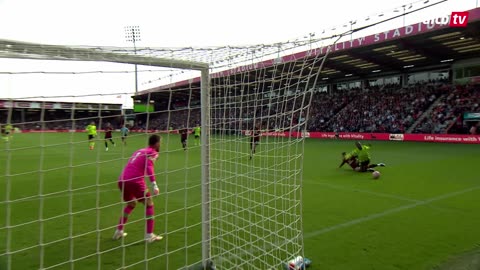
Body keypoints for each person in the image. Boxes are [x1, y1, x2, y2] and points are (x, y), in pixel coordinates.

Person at [113, 134, 163, 243]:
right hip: (135, 180)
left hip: (122, 179)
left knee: (131, 204)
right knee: (149, 203)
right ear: (157, 143)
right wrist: (154, 185)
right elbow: (149, 167)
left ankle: (119, 230)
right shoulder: (152, 152)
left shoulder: (140, 150)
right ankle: (149, 235)